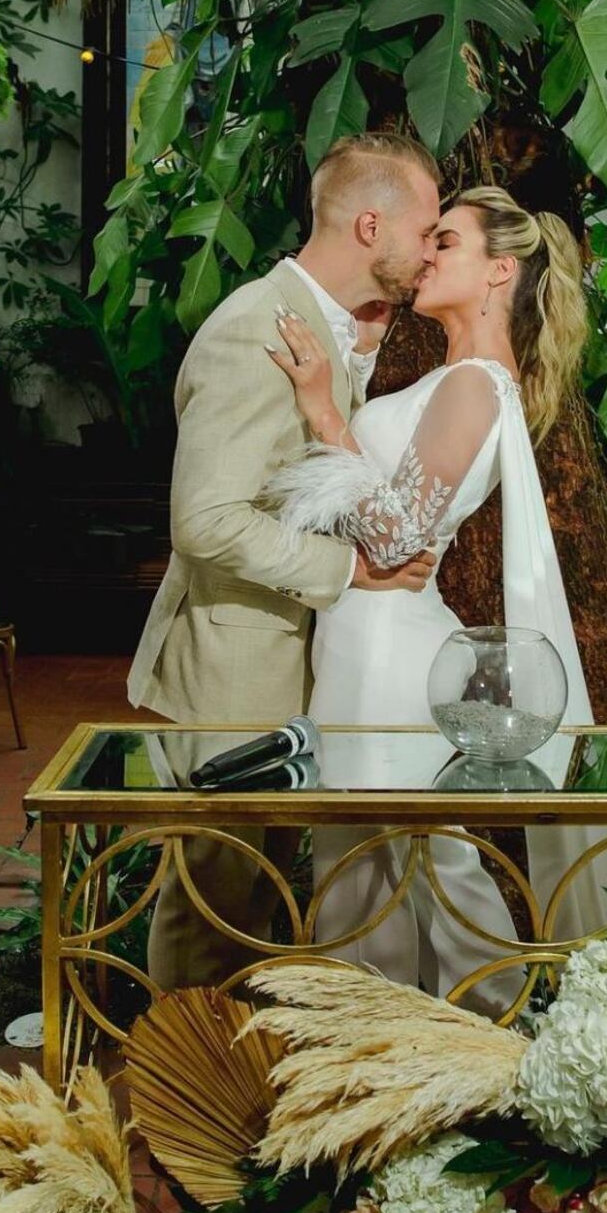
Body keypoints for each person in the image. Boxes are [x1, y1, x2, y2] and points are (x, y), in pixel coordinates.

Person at [265, 185, 607, 1012]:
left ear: (501, 271)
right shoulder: (460, 377)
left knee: (414, 864)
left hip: (387, 645)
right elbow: (396, 510)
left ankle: (488, 1034)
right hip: (364, 632)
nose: (427, 255)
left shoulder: (473, 385)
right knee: (376, 869)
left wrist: (323, 407)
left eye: (448, 244)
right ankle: (382, 1047)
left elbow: (393, 534)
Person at [127, 133, 442, 989]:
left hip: (277, 656)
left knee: (249, 898)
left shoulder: (323, 331)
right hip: (234, 662)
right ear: (371, 224)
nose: (431, 248)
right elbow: (204, 518)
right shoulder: (250, 331)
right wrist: (351, 571)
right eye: (425, 228)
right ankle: (178, 1091)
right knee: (213, 901)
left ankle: (218, 1079)